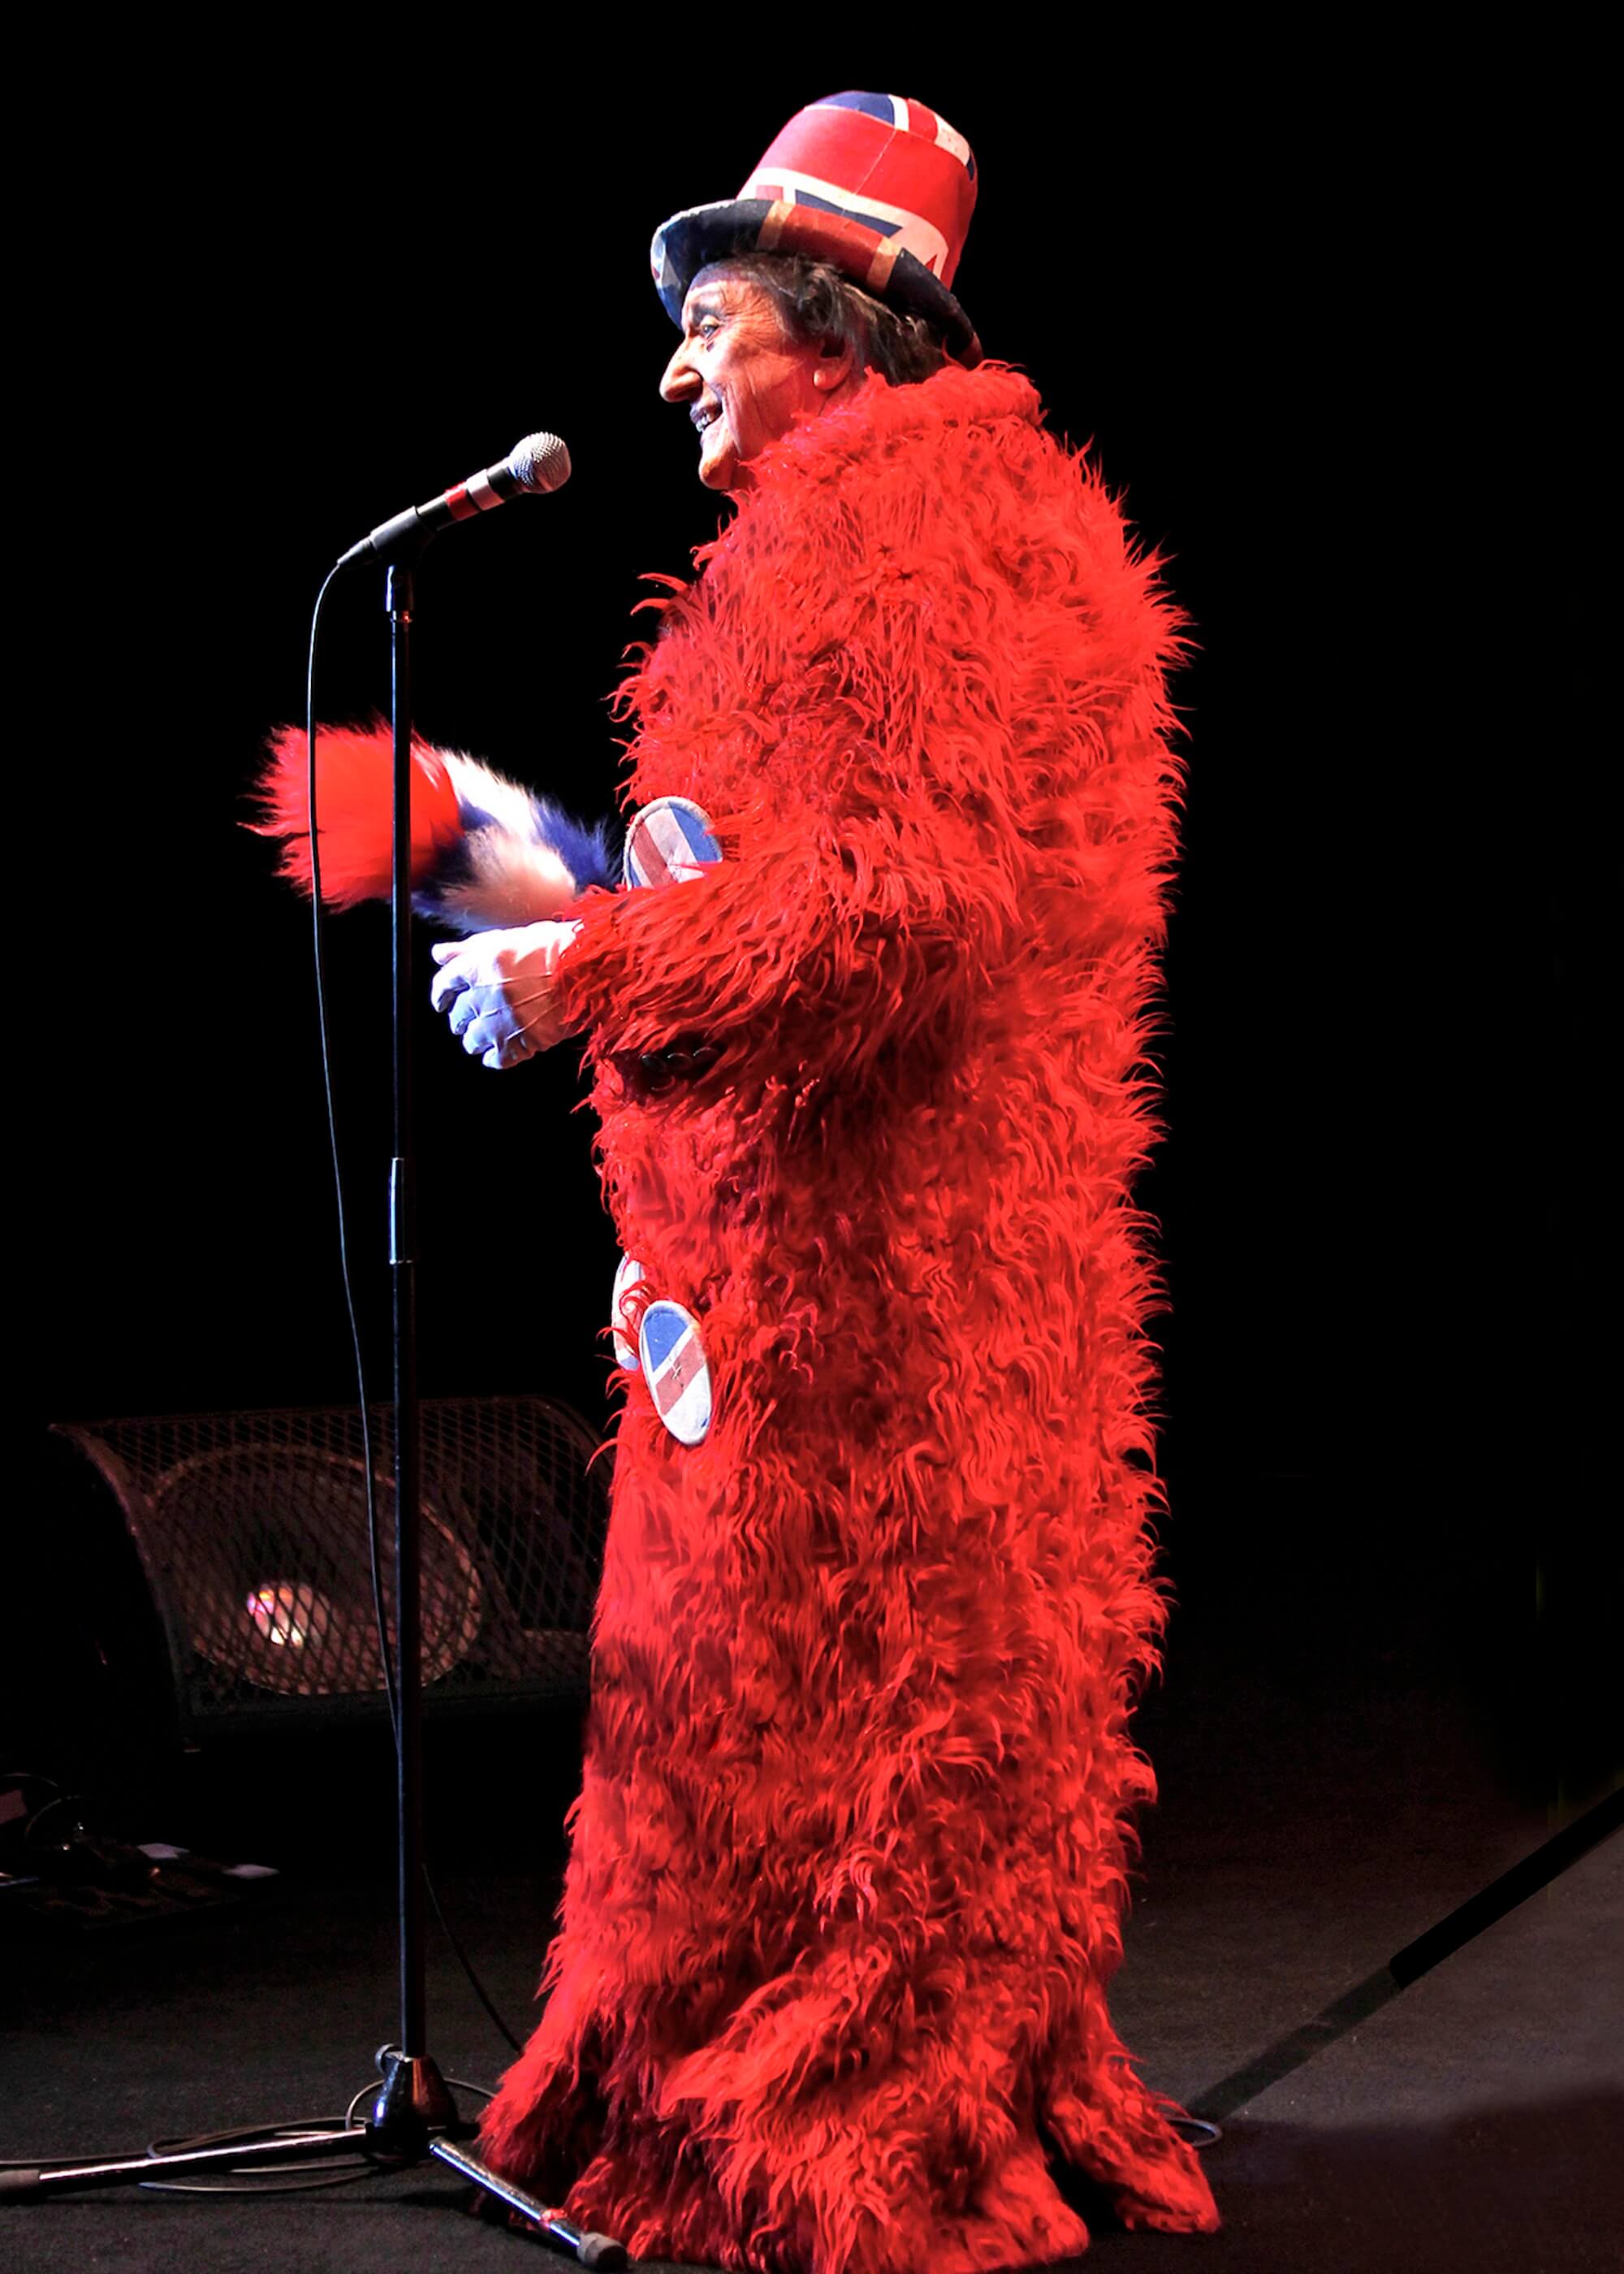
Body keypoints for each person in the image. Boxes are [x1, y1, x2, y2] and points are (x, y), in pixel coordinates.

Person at [264, 89, 1219, 2274]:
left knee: (860, 1746)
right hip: (787, 1296)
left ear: (848, 320)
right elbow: (771, 888)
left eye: (712, 315)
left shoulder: (916, 546)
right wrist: (472, 852)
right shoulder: (865, 536)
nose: (674, 362)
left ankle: (828, 2105)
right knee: (742, 1726)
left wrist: (586, 957)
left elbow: (899, 913)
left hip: (878, 1314)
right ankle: (702, 2069)